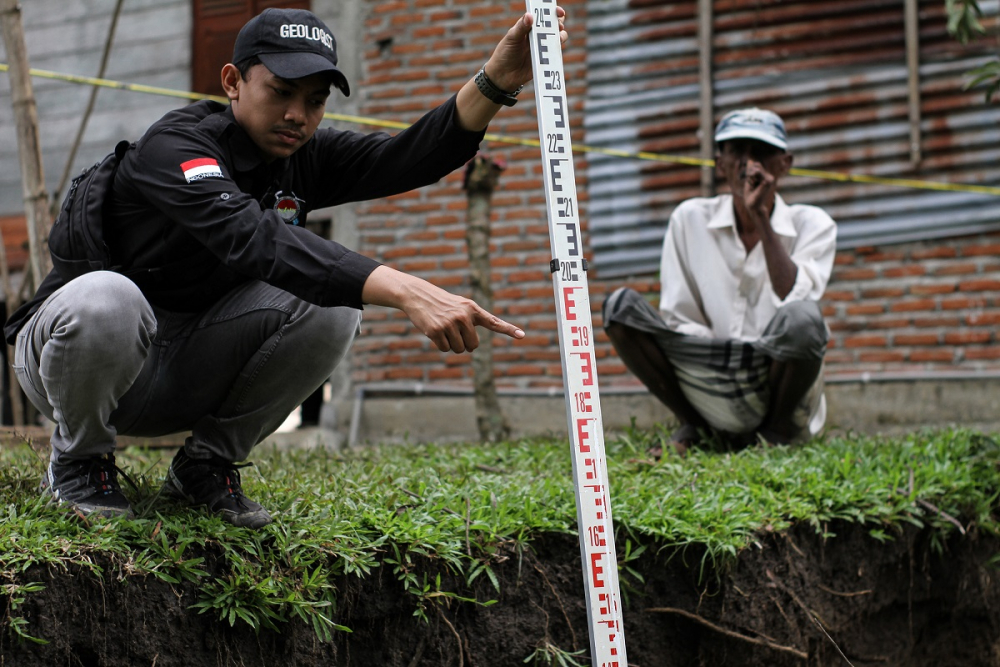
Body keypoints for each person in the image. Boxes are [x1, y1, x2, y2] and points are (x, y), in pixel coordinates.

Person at [5, 7, 568, 527]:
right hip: (80, 362)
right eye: (281, 92)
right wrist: (403, 287)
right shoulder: (176, 146)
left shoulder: (302, 157)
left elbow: (408, 157)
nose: (298, 115)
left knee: (335, 308)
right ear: (233, 82)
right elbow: (252, 238)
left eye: (316, 100)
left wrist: (496, 80)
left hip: (183, 370)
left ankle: (205, 466)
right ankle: (79, 461)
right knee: (109, 296)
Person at [603, 108, 836, 456]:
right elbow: (680, 317)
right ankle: (696, 424)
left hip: (777, 372)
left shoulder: (814, 224)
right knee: (620, 309)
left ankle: (776, 432)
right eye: (738, 151)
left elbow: (795, 299)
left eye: (762, 152)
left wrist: (759, 216)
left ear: (784, 164)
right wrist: (720, 362)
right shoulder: (689, 218)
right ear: (719, 163)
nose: (749, 164)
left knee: (805, 319)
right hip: (706, 369)